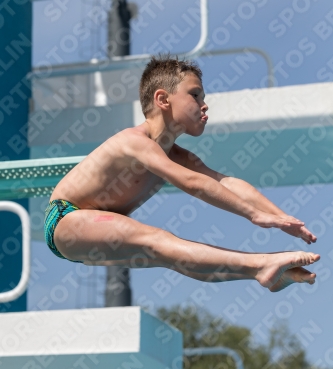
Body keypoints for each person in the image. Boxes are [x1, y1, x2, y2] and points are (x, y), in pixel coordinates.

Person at [44, 54, 320, 293]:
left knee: (172, 255)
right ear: (162, 99)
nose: (204, 104)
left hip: (93, 231)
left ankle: (263, 273)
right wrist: (254, 215)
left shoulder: (179, 156)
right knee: (160, 241)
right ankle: (262, 265)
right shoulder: (134, 142)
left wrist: (281, 218)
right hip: (66, 219)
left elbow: (227, 183)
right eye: (195, 94)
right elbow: (192, 183)